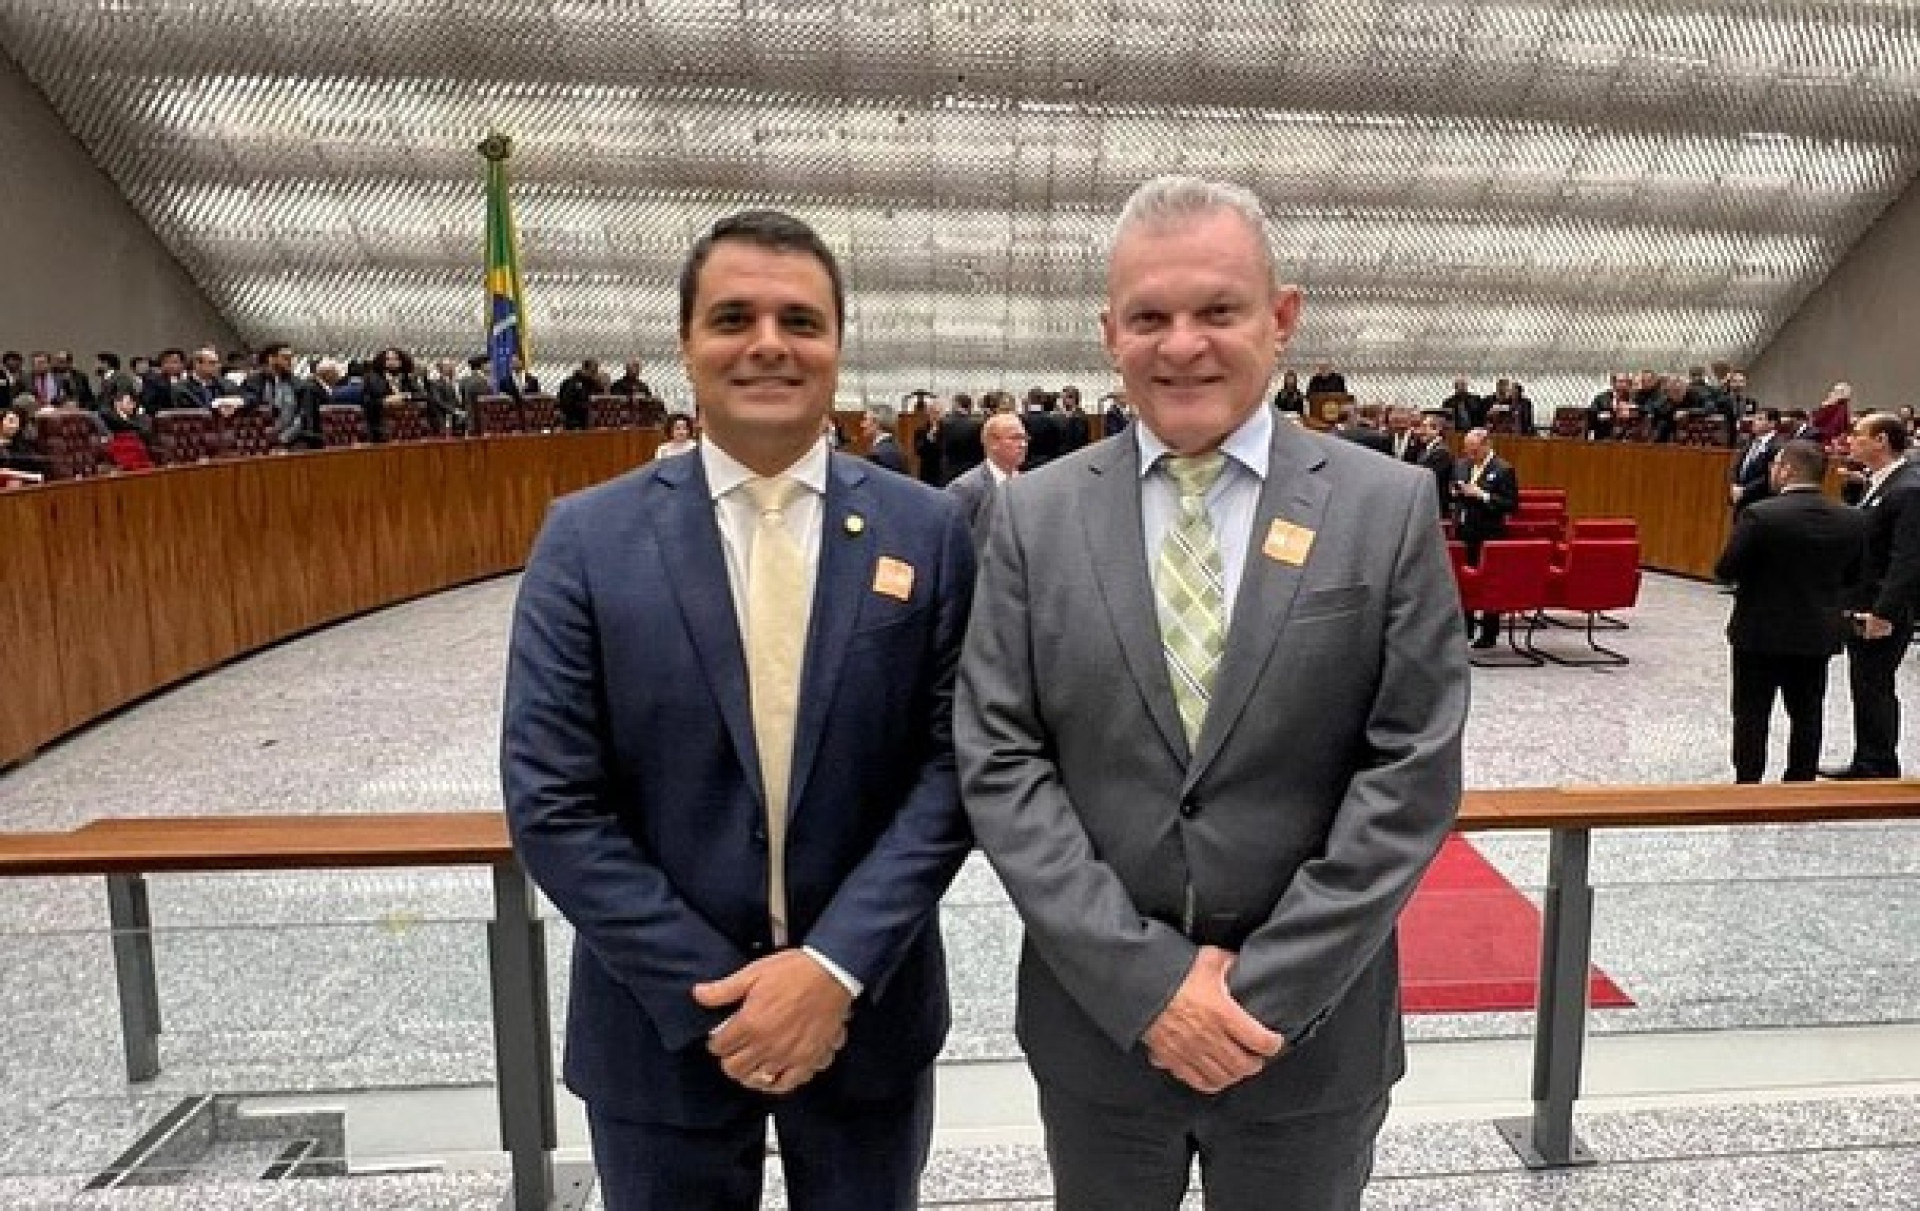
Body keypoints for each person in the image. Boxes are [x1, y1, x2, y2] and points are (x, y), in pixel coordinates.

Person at [956, 176, 1467, 1211]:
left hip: (1307, 1040)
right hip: (1099, 1034)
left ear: (1281, 318)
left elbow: (1410, 770)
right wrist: (1149, 987)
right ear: (1110, 334)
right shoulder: (1035, 519)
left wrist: (1257, 992)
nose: (1181, 344)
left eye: (1217, 310)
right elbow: (1001, 758)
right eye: (1149, 316)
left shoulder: (1387, 507)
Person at [501, 208, 975, 1211]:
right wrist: (727, 1001)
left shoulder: (929, 533)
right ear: (686, 345)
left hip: (868, 1017)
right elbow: (552, 800)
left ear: (838, 344)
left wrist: (830, 970)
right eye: (734, 317)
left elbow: (953, 773)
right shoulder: (585, 540)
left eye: (800, 320)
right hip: (658, 1027)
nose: (768, 343)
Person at [1713, 440, 1865, 783]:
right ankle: (1800, 781)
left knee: (1752, 713)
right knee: (1808, 712)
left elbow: (1726, 569)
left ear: (1786, 470)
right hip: (1816, 632)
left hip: (1759, 631)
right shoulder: (1852, 519)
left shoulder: (1760, 514)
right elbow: (1855, 576)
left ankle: (1748, 782)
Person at [1823, 413, 1920, 780]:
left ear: (1881, 440)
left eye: (1858, 434)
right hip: (1864, 602)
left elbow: (1908, 559)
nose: (1850, 439)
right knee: (1866, 685)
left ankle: (1878, 764)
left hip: (1882, 609)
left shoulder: (1908, 488)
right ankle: (1869, 758)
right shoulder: (1882, 482)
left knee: (1874, 686)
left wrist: (1884, 613)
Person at [1452, 426, 1519, 648]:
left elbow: (1511, 505)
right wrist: (1457, 492)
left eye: (1474, 450)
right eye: (1467, 450)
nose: (1470, 454)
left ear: (1487, 445)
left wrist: (1483, 495)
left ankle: (1489, 633)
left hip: (1490, 533)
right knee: (1464, 582)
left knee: (1489, 583)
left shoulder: (1503, 469)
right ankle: (1466, 627)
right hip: (1464, 531)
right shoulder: (1462, 464)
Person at [944, 409, 1028, 549]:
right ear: (992, 442)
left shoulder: (1027, 484)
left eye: (1024, 438)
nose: (1023, 445)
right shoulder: (966, 488)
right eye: (1015, 438)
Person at [860, 403, 908, 473]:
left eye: (865, 419)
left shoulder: (880, 453)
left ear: (877, 423)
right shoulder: (893, 446)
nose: (862, 424)